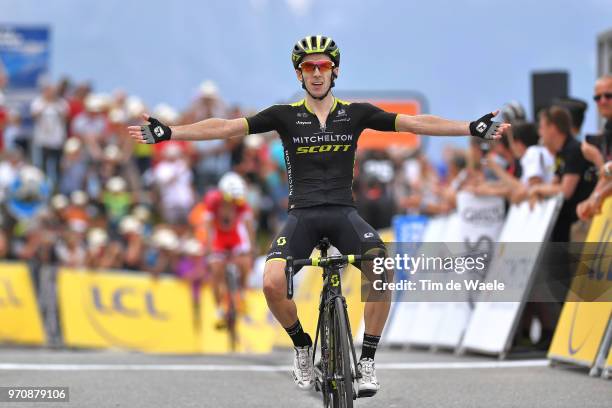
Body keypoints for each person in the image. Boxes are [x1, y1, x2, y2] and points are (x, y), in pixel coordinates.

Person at [128, 35, 508, 397]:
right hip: (302, 217)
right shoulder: (284, 115)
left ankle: (369, 360)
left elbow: (414, 123)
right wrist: (170, 133)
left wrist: (470, 128)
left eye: (323, 66)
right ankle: (302, 346)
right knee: (272, 281)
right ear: (299, 74)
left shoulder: (355, 114)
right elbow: (227, 127)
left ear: (334, 71)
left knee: (381, 270)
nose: (315, 72)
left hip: (344, 213)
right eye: (308, 67)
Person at [528, 106, 596, 242]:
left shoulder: (573, 149)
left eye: (541, 127)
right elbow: (554, 184)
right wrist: (540, 191)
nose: (540, 133)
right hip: (569, 223)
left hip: (581, 223)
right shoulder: (562, 151)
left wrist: (537, 189)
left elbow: (565, 191)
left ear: (552, 128)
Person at [202, 172, 255, 328]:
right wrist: (210, 249)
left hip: (235, 236)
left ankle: (243, 293)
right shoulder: (212, 200)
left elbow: (248, 225)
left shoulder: (241, 201)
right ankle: (218, 307)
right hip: (219, 237)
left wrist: (251, 247)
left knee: (245, 261)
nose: (232, 202)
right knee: (216, 269)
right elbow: (208, 225)